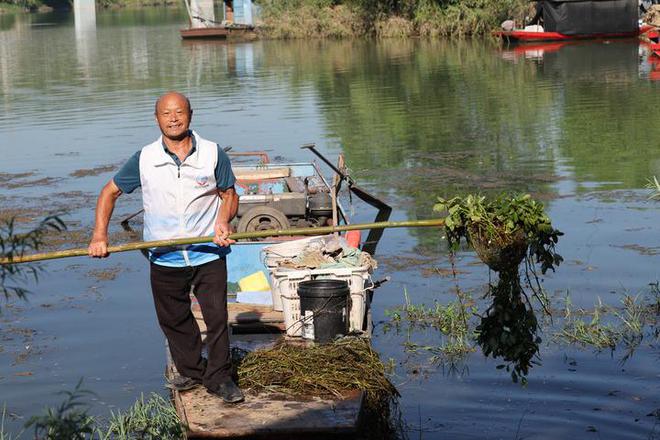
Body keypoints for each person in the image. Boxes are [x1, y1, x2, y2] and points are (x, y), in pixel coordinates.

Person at [88, 91, 243, 403]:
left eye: (179, 112)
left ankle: (220, 378)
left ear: (190, 115)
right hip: (164, 256)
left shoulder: (212, 153)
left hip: (207, 253)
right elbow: (109, 192)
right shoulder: (145, 158)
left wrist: (223, 221)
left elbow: (229, 194)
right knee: (173, 320)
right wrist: (99, 235)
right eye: (166, 113)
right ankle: (191, 369)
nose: (173, 118)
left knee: (216, 318)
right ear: (156, 118)